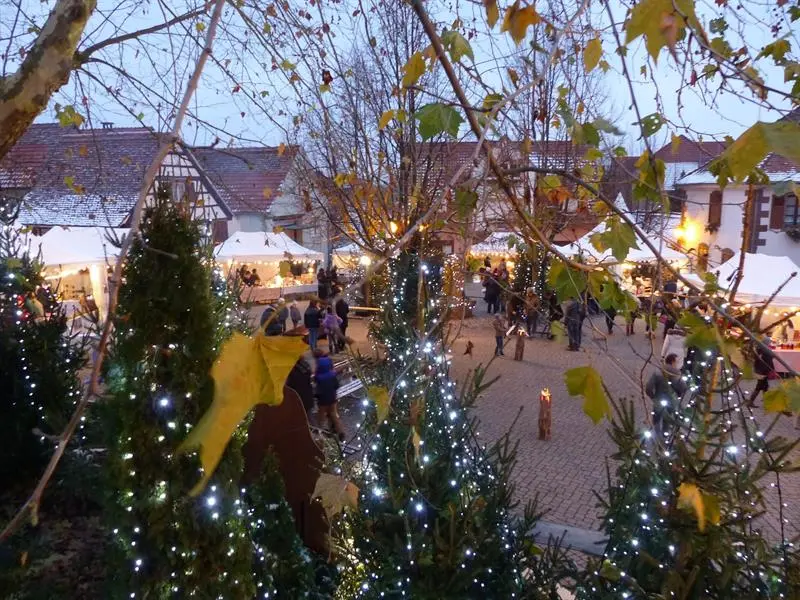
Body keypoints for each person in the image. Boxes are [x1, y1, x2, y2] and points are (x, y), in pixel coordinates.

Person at [645, 353, 687, 438]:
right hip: (671, 401)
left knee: (656, 419)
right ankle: (665, 436)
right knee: (667, 420)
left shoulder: (657, 371)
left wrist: (653, 397)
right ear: (672, 362)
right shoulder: (676, 374)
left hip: (658, 400)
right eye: (676, 362)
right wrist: (678, 395)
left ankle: (656, 436)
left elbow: (648, 387)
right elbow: (683, 388)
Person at [314, 350, 345, 442]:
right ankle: (341, 432)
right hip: (332, 398)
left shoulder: (319, 377)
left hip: (323, 400)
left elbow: (318, 390)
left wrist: (317, 396)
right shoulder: (331, 374)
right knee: (333, 415)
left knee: (321, 418)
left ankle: (319, 436)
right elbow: (336, 385)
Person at [747, 337, 776, 408]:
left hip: (761, 370)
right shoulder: (765, 350)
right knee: (759, 387)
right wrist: (771, 369)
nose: (770, 343)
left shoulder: (760, 349)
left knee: (765, 387)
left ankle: (766, 402)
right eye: (769, 342)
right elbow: (771, 358)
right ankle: (750, 402)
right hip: (763, 371)